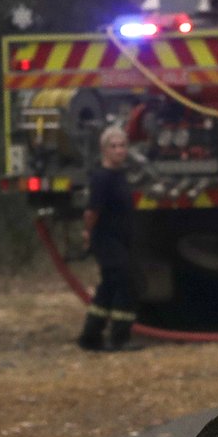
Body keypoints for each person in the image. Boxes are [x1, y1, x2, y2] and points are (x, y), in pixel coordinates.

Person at [77, 126, 140, 351]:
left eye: (122, 146)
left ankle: (90, 336)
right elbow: (91, 211)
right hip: (106, 240)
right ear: (104, 150)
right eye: (113, 146)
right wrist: (87, 233)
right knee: (126, 283)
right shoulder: (102, 178)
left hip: (121, 239)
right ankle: (120, 338)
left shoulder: (119, 175)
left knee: (109, 286)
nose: (119, 150)